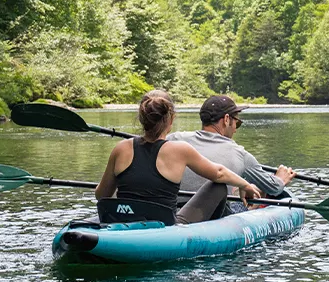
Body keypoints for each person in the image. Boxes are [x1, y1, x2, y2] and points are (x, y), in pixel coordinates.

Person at [95, 90, 260, 224]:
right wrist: (245, 185)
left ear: (142, 119)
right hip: (166, 223)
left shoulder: (121, 149)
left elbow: (101, 195)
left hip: (123, 217)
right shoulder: (179, 150)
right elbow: (219, 173)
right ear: (171, 120)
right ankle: (214, 229)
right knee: (218, 187)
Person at [168, 95, 297, 215]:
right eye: (237, 122)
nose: (235, 128)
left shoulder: (175, 138)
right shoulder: (240, 154)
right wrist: (281, 178)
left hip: (176, 211)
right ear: (226, 119)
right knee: (259, 192)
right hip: (213, 215)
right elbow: (274, 188)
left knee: (243, 186)